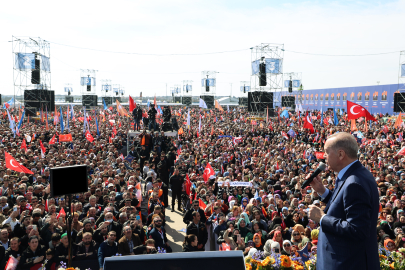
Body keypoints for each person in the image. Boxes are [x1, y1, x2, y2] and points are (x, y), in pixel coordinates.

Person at [308, 132, 379, 270]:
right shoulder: (355, 174)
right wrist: (323, 192)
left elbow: (357, 230)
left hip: (348, 263)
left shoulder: (354, 182)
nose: (324, 157)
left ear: (341, 154)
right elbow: (344, 206)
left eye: (327, 153)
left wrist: (322, 218)